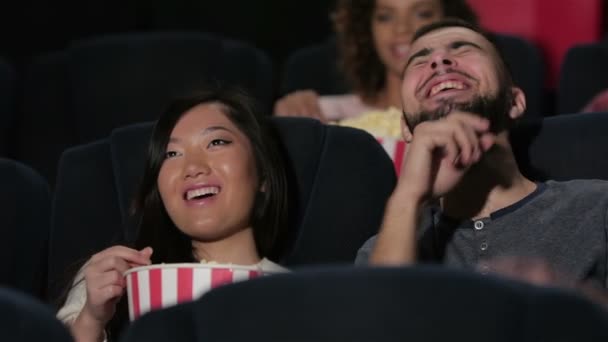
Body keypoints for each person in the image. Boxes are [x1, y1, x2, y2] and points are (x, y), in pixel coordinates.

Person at [356, 19, 608, 294]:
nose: (439, 60)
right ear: (405, 126)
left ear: (515, 102)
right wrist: (408, 196)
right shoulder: (389, 245)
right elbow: (374, 325)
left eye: (463, 49)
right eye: (420, 60)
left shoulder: (598, 208)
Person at [56, 87, 290, 342]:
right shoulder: (110, 278)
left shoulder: (295, 293)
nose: (192, 167)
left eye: (216, 142)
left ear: (263, 175)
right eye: (171, 154)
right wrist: (92, 320)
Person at [274, 0, 477, 123]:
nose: (402, 29)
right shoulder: (326, 115)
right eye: (385, 17)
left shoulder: (477, 111)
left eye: (422, 14)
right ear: (366, 29)